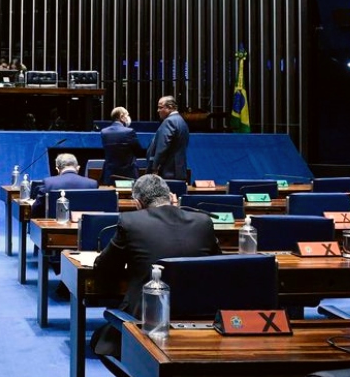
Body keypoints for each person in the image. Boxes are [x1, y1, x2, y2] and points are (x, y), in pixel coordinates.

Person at [90, 174, 221, 357]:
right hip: (199, 314)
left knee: (99, 341)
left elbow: (106, 266)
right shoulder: (204, 222)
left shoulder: (131, 222)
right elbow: (216, 267)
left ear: (138, 203)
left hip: (147, 317)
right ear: (172, 197)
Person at [32, 153, 99, 217]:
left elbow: (35, 210)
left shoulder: (49, 183)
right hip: (83, 226)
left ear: (57, 169)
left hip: (55, 226)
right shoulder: (92, 184)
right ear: (78, 168)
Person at [145, 95, 190, 180]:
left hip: (168, 172)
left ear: (170, 107)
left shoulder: (169, 121)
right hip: (178, 170)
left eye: (160, 107)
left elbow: (162, 147)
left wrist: (155, 168)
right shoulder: (181, 121)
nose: (158, 110)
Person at [101, 106, 147, 185]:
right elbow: (138, 151)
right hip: (128, 174)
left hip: (110, 174)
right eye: (127, 115)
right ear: (121, 117)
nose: (128, 117)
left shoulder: (104, 132)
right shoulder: (129, 132)